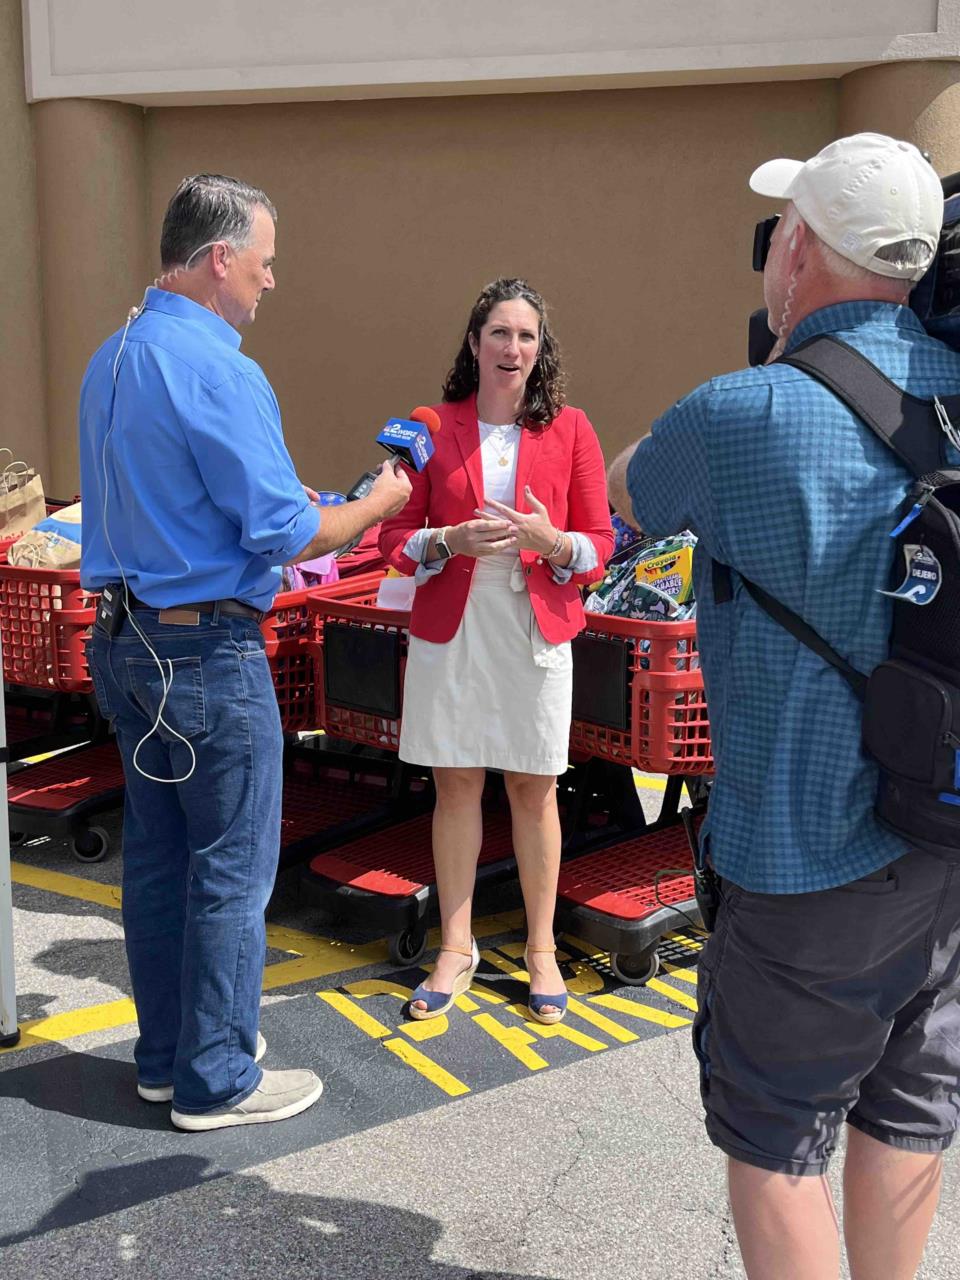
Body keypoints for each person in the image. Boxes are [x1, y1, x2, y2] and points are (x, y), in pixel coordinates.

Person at [608, 133, 960, 1280]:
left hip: (809, 853)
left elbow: (623, 497)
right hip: (947, 826)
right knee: (909, 1107)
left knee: (775, 1140)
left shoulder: (741, 410)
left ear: (799, 250)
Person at [79, 174, 410, 1131]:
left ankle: (166, 1055)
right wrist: (378, 504)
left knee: (159, 858)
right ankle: (217, 1077)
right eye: (264, 263)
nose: (271, 283)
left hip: (128, 641)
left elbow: (197, 495)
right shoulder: (221, 369)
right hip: (205, 651)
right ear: (221, 258)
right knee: (230, 865)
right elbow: (283, 531)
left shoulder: (114, 355)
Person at [379, 277, 613, 1023]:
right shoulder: (431, 424)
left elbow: (600, 546)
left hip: (533, 623)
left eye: (527, 336)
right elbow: (392, 537)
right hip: (454, 621)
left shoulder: (571, 428)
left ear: (541, 351)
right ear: (475, 342)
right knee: (455, 784)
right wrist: (448, 539)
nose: (513, 347)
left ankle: (540, 948)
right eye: (500, 333)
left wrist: (553, 541)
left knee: (533, 786)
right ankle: (456, 946)